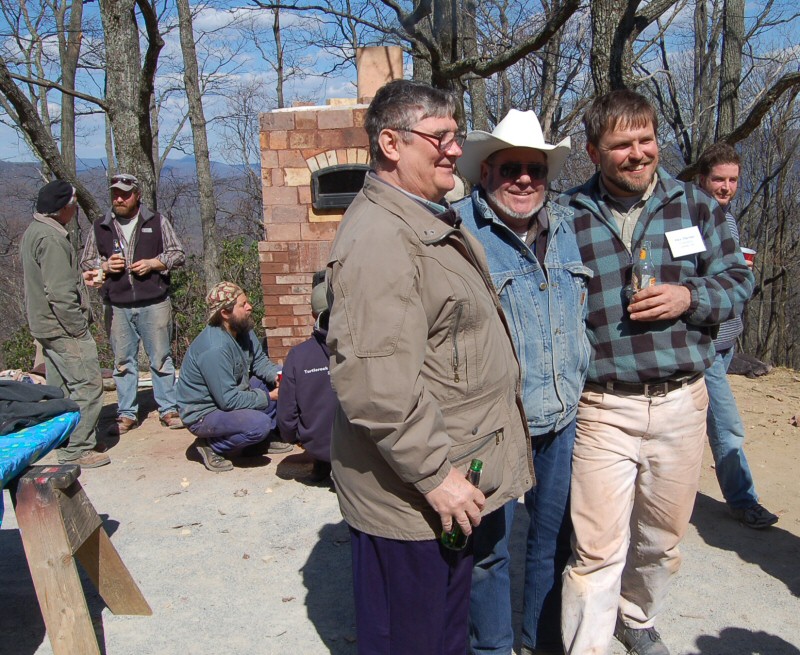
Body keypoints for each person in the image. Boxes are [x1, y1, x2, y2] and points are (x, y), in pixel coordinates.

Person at [326, 79, 533, 654]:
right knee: (410, 640)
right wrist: (437, 475)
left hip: (446, 483)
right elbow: (373, 382)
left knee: (442, 635)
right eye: (439, 136)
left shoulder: (431, 216)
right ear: (391, 144)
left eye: (455, 135)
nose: (453, 148)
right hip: (413, 499)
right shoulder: (382, 241)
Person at [558, 90, 754, 655]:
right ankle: (586, 646)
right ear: (595, 152)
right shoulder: (567, 215)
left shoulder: (699, 207)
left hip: (681, 401)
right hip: (603, 405)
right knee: (596, 547)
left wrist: (688, 297)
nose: (638, 153)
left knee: (662, 540)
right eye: (622, 144)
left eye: (646, 140)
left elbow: (737, 283)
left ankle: (637, 615)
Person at [454, 109, 590, 655]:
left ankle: (540, 643)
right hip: (491, 428)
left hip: (561, 420)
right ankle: (491, 648)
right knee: (486, 552)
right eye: (512, 167)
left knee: (553, 540)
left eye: (536, 168)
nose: (525, 179)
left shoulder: (567, 229)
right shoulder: (458, 232)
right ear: (486, 172)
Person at [697, 143, 778, 529]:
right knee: (725, 423)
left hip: (729, 340)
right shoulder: (695, 216)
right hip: (707, 343)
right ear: (702, 179)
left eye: (732, 180)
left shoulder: (726, 216)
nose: (726, 186)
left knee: (702, 421)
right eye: (719, 179)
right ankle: (743, 500)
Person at [81, 173, 185, 435]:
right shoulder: (101, 226)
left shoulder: (157, 222)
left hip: (155, 301)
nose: (119, 198)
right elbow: (86, 263)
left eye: (125, 194)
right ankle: (126, 413)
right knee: (122, 362)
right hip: (117, 304)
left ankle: (168, 408)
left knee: (161, 358)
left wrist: (153, 263)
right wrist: (104, 265)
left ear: (137, 195)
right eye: (115, 193)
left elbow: (178, 254)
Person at [20, 180, 109, 468]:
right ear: (63, 208)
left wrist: (79, 281)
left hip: (44, 325)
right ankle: (78, 448)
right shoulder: (52, 239)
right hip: (62, 328)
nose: (74, 209)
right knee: (87, 384)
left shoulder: (34, 231)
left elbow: (51, 281)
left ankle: (64, 440)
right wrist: (78, 328)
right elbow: (58, 293)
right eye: (73, 205)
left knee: (61, 389)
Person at [176, 281, 287, 472]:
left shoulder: (243, 329)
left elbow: (259, 362)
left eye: (247, 301)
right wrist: (270, 396)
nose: (250, 307)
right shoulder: (214, 348)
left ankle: (254, 445)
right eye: (242, 305)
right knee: (259, 425)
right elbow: (228, 400)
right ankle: (211, 445)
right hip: (205, 413)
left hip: (231, 395)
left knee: (279, 378)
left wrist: (278, 377)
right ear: (225, 313)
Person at [277, 283, 335, 483]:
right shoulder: (363, 351)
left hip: (318, 445)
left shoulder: (298, 356)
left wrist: (294, 437)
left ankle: (323, 463)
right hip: (361, 448)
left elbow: (286, 414)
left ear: (313, 315)